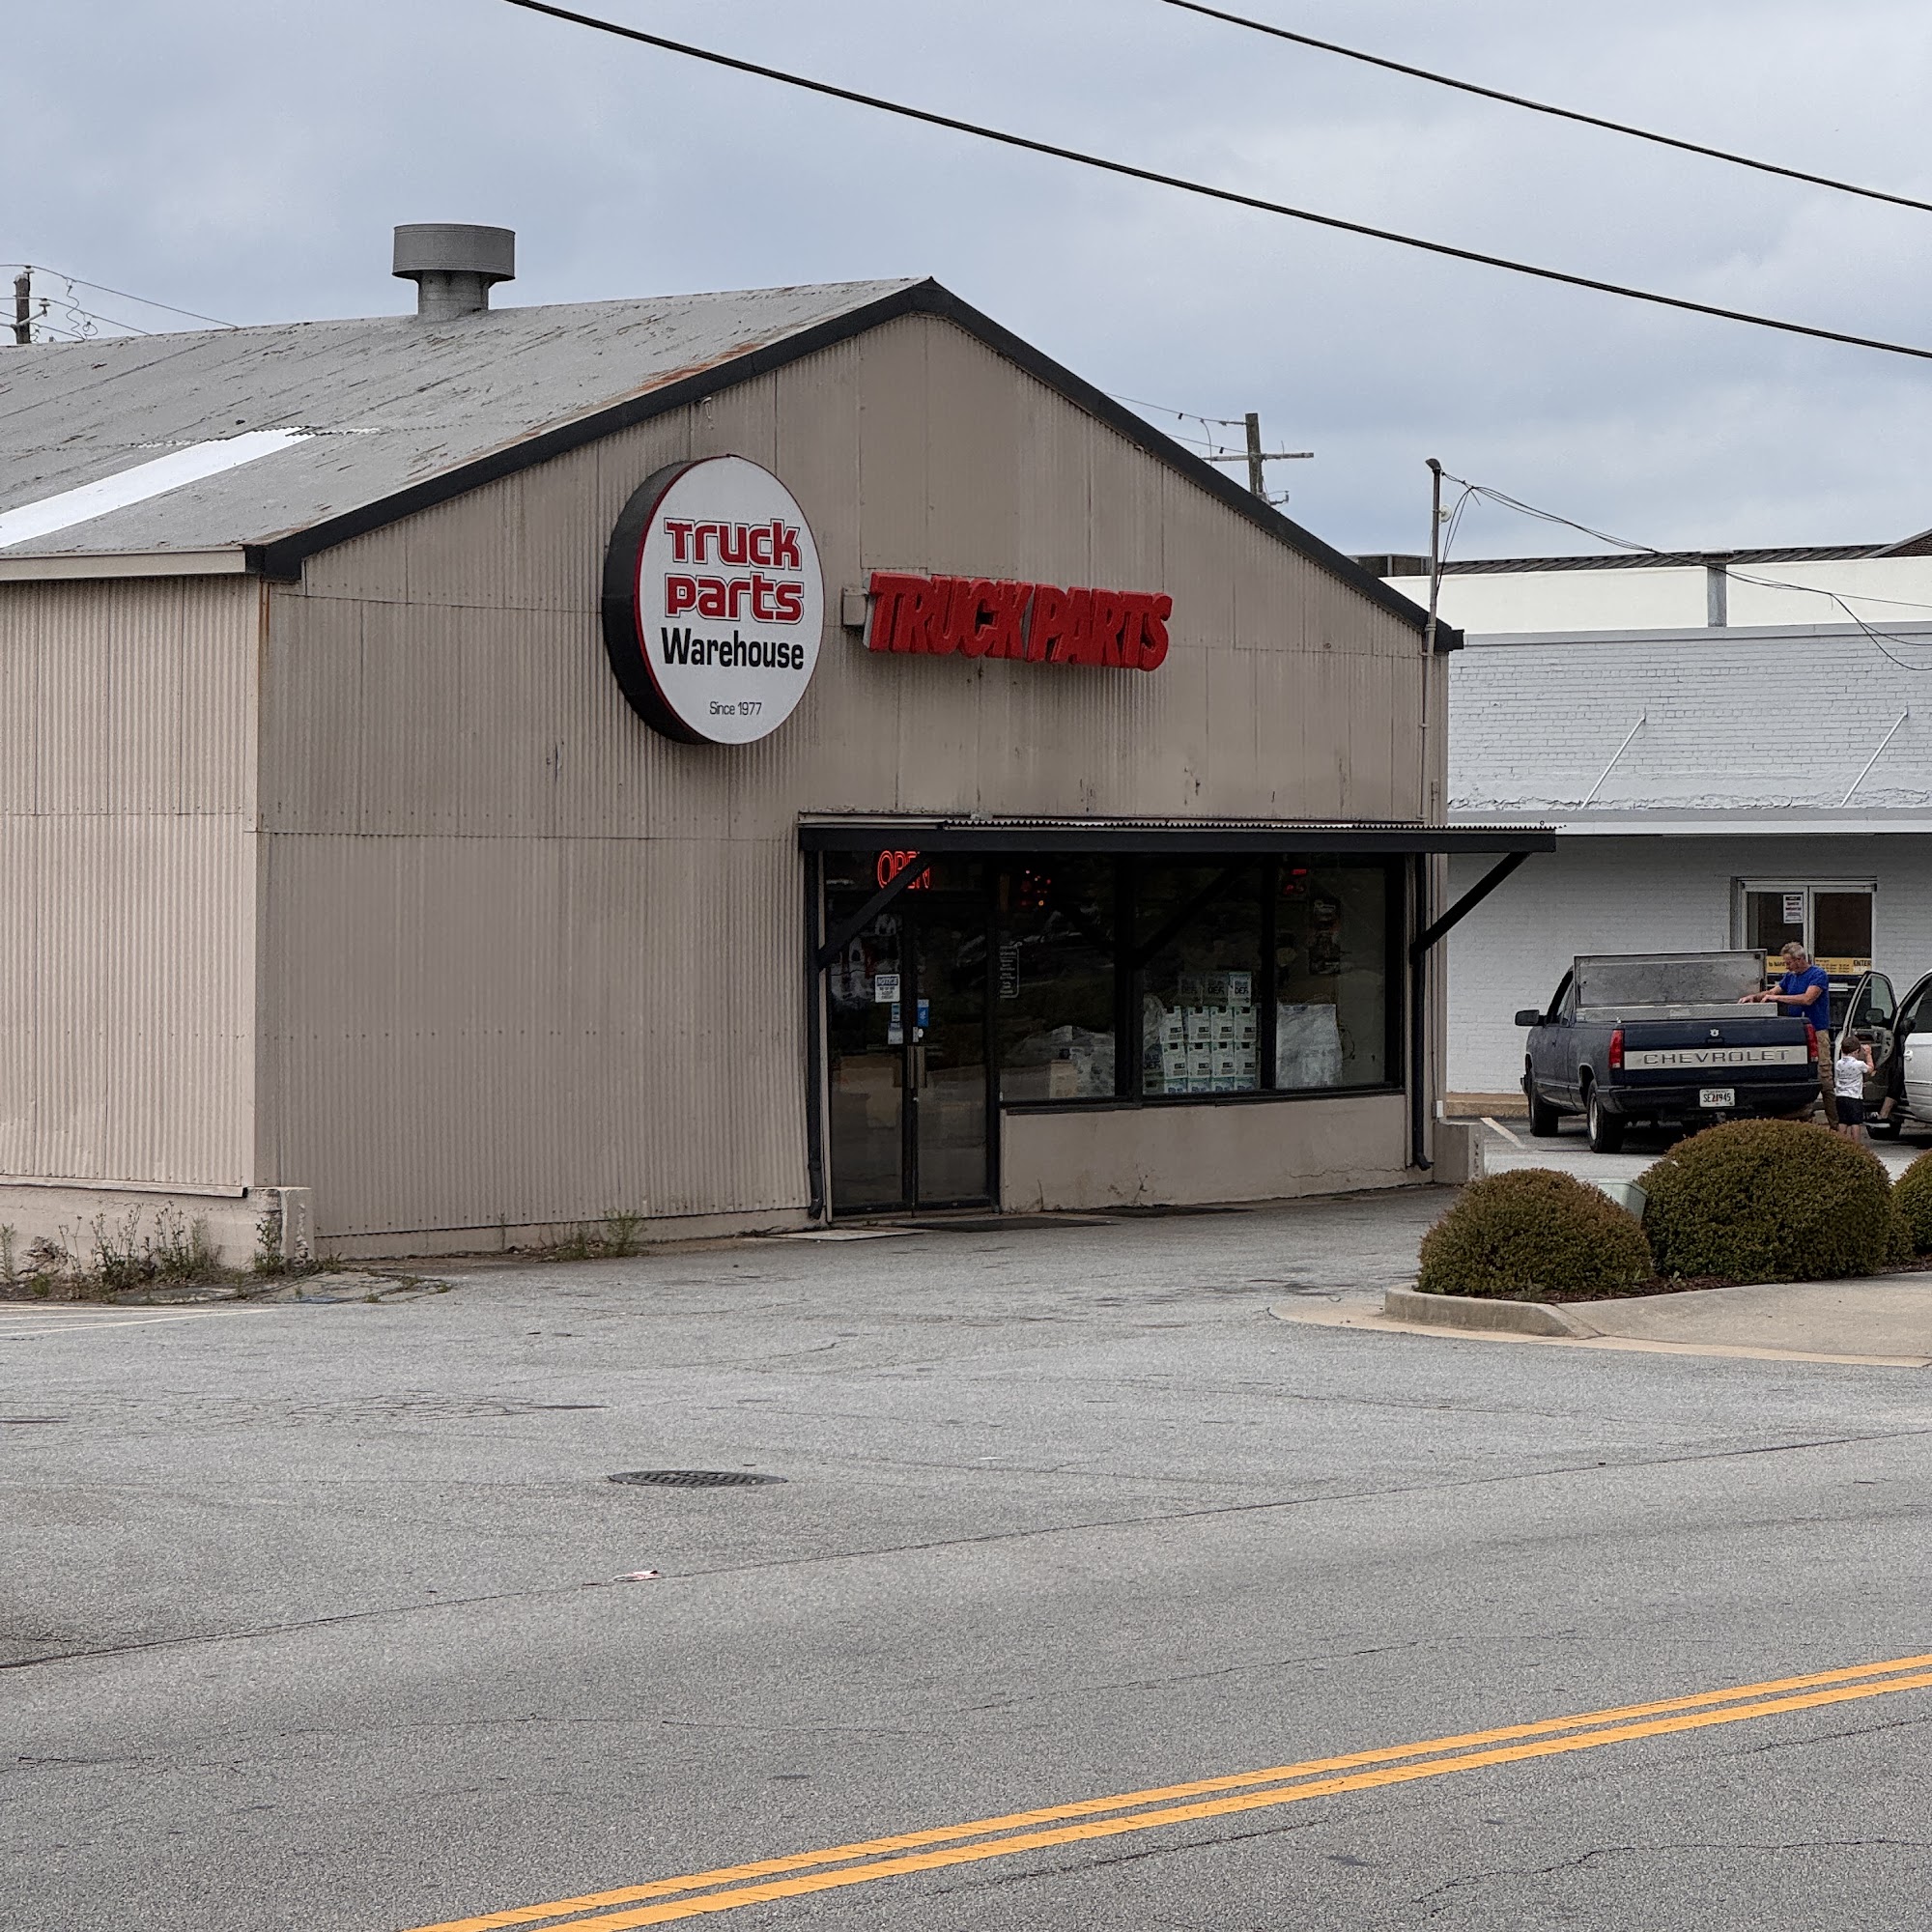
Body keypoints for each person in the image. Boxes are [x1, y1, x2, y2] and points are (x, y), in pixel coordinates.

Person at [1742, 942, 1837, 1127]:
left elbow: (1807, 999)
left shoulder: (1818, 975)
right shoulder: (1790, 977)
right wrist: (1755, 997)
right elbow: (1772, 991)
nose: (1786, 966)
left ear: (1800, 959)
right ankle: (1803, 1120)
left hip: (1817, 1032)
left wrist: (1777, 998)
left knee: (1824, 1078)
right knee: (1800, 1076)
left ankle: (1836, 1124)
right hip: (1797, 1035)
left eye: (1788, 962)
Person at [1835, 1030, 1874, 1142]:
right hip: (1854, 1097)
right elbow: (1870, 1069)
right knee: (1855, 1123)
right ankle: (1856, 1145)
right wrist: (1868, 1054)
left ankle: (1840, 1143)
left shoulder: (1838, 1063)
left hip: (1840, 1096)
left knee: (1842, 1121)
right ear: (1856, 1052)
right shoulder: (1859, 1064)